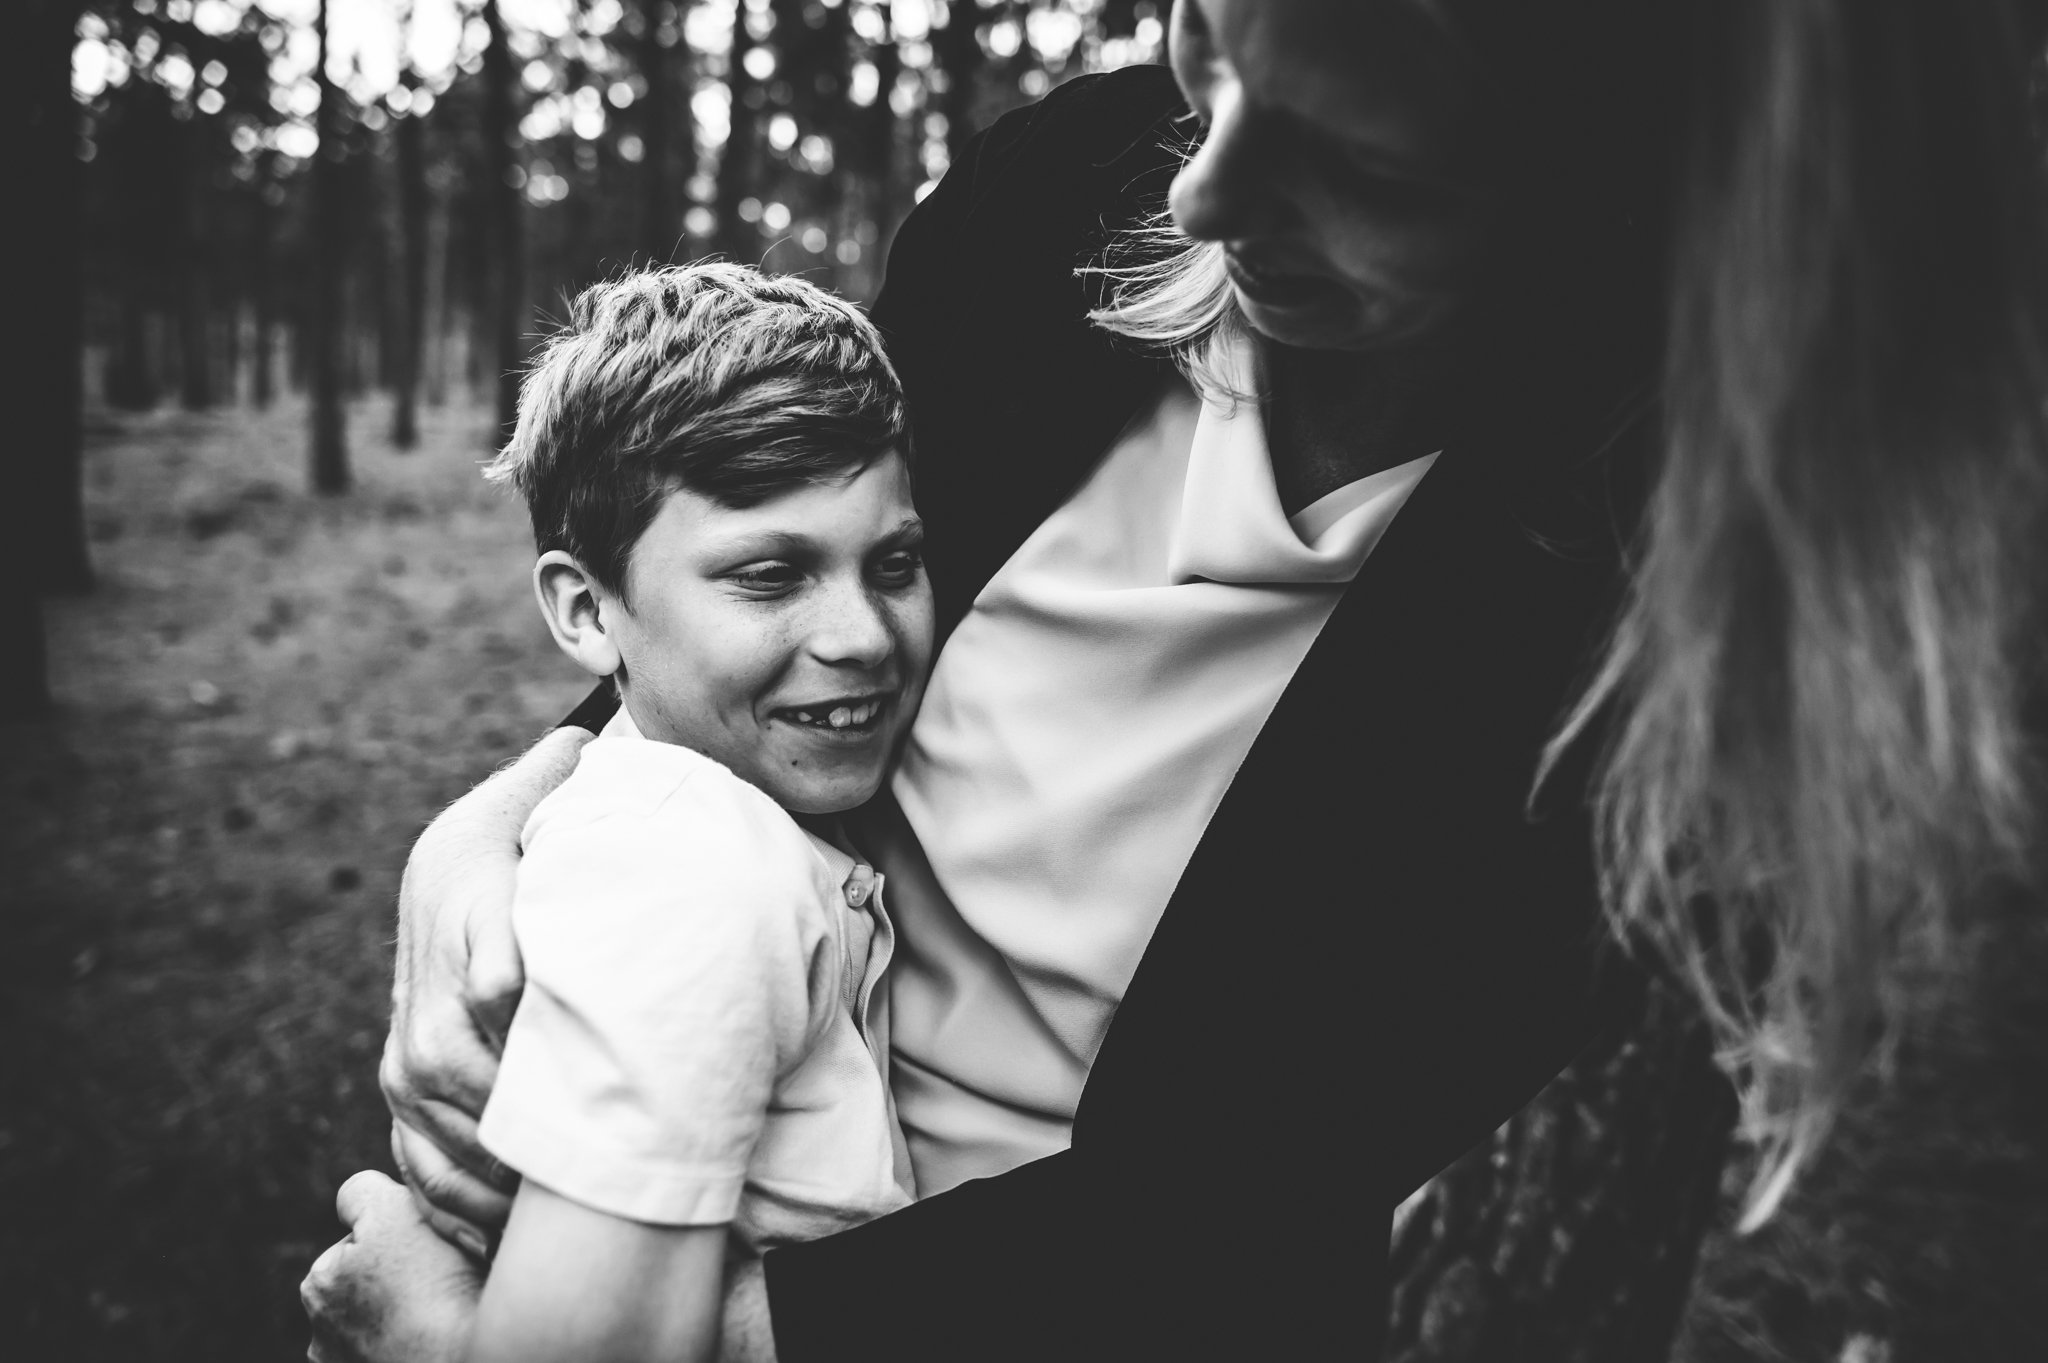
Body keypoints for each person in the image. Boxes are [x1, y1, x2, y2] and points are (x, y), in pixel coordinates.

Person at [304, 2, 2048, 1359]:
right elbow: (781, 593)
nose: (1200, 189)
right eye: (1201, 51)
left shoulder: (1653, 638)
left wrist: (563, 1339)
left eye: (1353, 165)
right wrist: (505, 816)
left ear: (1621, 200)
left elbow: (1237, 1202)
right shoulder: (1042, 217)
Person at [403, 263, 929, 1363]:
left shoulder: (729, 816)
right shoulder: (689, 875)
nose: (866, 635)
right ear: (587, 609)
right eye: (769, 576)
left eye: (894, 563)